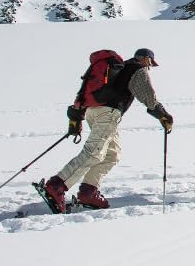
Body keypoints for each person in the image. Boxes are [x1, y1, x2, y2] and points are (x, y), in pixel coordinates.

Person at [41, 48, 173, 212]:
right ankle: (57, 185)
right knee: (93, 152)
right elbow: (148, 96)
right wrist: (163, 115)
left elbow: (85, 93)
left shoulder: (114, 69)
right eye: (150, 63)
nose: (149, 67)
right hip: (108, 113)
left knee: (112, 154)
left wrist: (76, 117)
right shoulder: (136, 69)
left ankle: (89, 192)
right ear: (146, 59)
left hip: (92, 111)